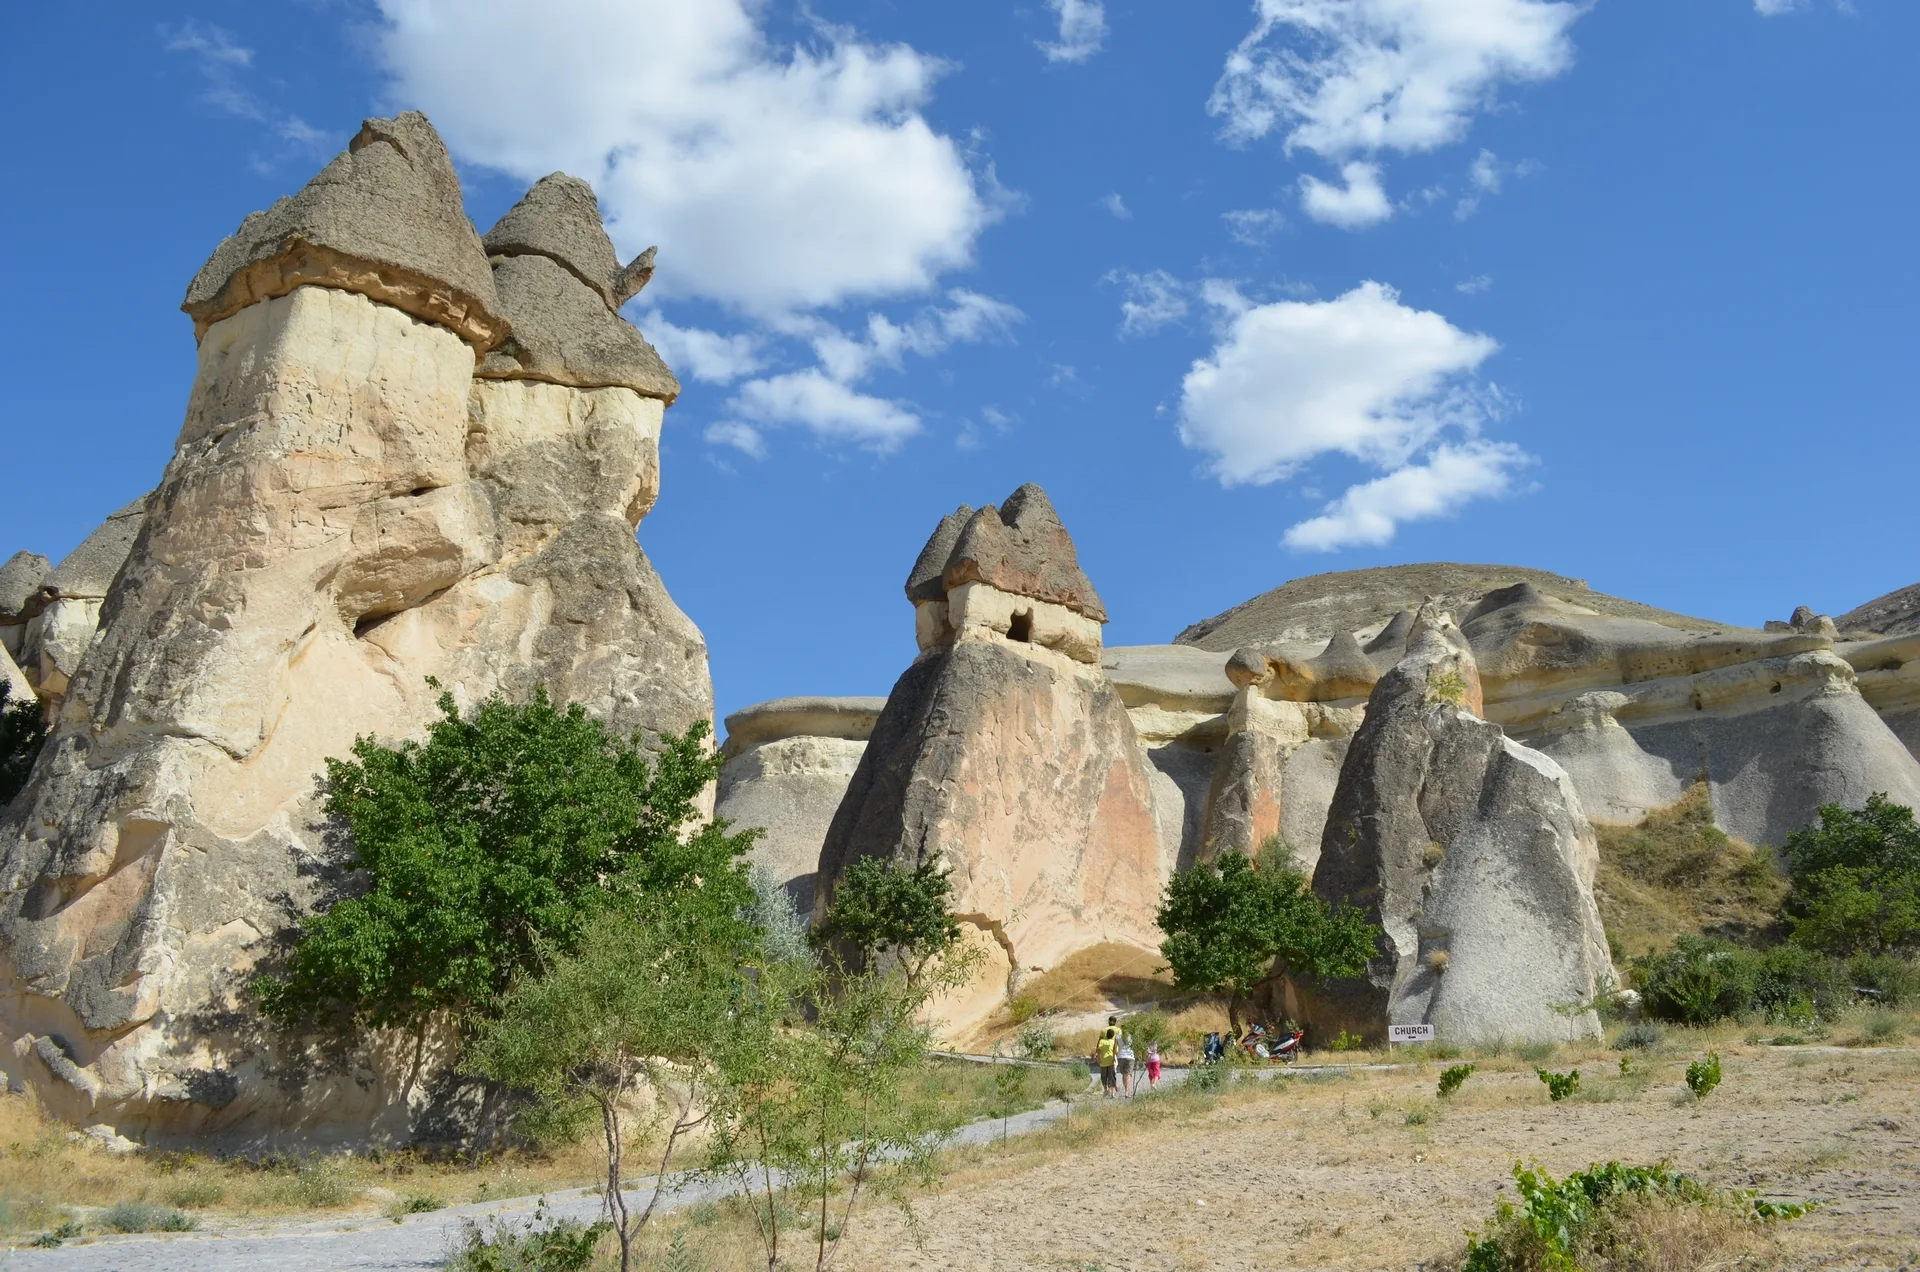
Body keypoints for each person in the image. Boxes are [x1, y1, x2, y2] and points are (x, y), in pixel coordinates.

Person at [1096, 1015, 1121, 1097]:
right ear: (1115, 1022)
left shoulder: (1104, 1030)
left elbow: (1099, 1041)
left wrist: (1097, 1053)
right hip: (1113, 1053)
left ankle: (1107, 1090)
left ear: (1108, 1021)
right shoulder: (1118, 1030)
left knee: (1104, 1075)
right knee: (1112, 1073)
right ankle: (1113, 1088)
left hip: (1103, 1055)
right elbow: (1119, 1041)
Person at [1116, 1030, 1136, 1097]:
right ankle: (1127, 1092)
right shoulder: (1131, 1035)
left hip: (1121, 1056)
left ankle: (1126, 1090)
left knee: (1124, 1074)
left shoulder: (1118, 1036)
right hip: (1130, 1056)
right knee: (1128, 1074)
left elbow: (1115, 1046)